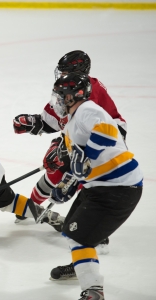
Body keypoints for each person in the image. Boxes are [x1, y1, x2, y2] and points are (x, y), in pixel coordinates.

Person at [47, 73, 142, 299]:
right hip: (100, 186)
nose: (57, 102)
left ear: (72, 97)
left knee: (78, 237)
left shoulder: (88, 110)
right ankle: (82, 263)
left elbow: (107, 133)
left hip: (118, 188)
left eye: (61, 97)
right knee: (70, 228)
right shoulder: (73, 119)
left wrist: (85, 158)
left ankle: (93, 290)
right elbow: (81, 163)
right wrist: (68, 182)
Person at [12, 50, 127, 232]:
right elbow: (58, 119)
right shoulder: (69, 88)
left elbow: (105, 131)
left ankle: (94, 229)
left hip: (102, 146)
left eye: (65, 72)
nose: (62, 75)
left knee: (87, 185)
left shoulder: (90, 95)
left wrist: (77, 159)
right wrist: (36, 123)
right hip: (79, 139)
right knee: (55, 167)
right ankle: (32, 207)